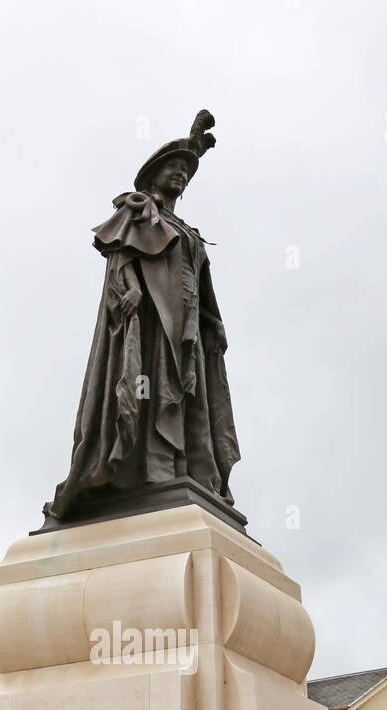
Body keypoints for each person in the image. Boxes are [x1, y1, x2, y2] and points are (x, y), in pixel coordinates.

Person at [45, 111, 240, 522]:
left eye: (186, 172)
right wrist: (128, 287)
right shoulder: (138, 210)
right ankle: (150, 470)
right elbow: (120, 254)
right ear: (153, 176)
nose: (181, 176)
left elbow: (196, 277)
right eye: (174, 168)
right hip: (150, 318)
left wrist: (211, 319)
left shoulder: (185, 227)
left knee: (188, 393)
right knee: (149, 387)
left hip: (186, 324)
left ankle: (186, 471)